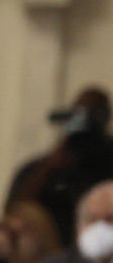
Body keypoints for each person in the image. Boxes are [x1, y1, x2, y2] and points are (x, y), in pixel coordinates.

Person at [8, 87, 113, 247]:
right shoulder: (46, 166)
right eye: (79, 115)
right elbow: (15, 210)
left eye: (93, 115)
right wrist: (50, 167)